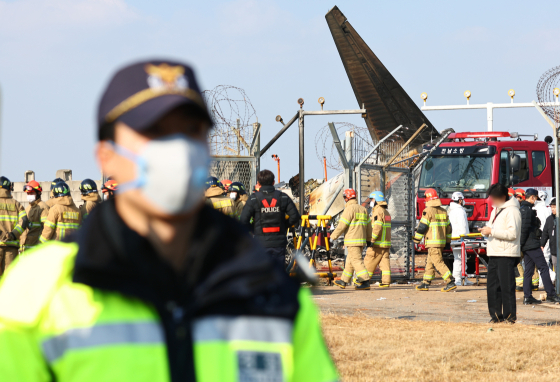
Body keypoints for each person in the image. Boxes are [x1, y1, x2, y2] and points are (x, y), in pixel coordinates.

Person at [0, 59, 337, 382]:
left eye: (191, 131)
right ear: (107, 156)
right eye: (153, 132)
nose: (175, 149)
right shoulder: (38, 290)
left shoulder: (272, 293)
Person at [240, 169, 300, 266]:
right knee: (278, 273)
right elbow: (295, 216)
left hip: (261, 243)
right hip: (278, 242)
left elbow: (243, 221)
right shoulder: (283, 197)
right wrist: (284, 226)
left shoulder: (254, 198)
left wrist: (254, 228)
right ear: (273, 182)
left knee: (262, 273)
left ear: (258, 183)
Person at [480, 183, 521, 323]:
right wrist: (487, 230)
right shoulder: (496, 210)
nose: (492, 201)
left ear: (503, 197)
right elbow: (493, 228)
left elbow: (513, 234)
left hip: (507, 254)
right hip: (494, 252)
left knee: (506, 287)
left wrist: (492, 231)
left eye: (494, 198)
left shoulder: (512, 211)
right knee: (492, 287)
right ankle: (496, 316)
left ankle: (510, 317)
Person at [519, 189, 560, 305]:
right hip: (532, 244)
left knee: (528, 271)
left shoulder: (522, 209)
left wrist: (521, 246)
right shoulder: (528, 211)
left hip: (527, 246)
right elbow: (524, 229)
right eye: (535, 198)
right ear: (532, 197)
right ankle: (551, 294)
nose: (536, 201)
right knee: (543, 267)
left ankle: (527, 296)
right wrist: (521, 245)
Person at [413, 188, 455, 292]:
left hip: (432, 242)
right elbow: (449, 228)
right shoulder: (443, 211)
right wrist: (448, 242)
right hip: (441, 242)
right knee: (430, 263)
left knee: (438, 262)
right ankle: (426, 283)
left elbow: (422, 227)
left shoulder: (428, 211)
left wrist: (416, 240)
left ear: (427, 198)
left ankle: (450, 281)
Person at [331, 188, 371, 290]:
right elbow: (369, 227)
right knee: (350, 261)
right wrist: (369, 239)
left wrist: (333, 236)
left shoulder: (349, 209)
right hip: (361, 240)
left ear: (347, 197)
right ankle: (344, 281)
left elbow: (342, 225)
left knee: (357, 261)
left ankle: (365, 281)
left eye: (344, 197)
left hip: (352, 240)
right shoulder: (363, 209)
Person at [364, 191, 392, 288]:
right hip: (385, 243)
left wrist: (371, 240)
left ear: (376, 200)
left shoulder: (378, 211)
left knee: (369, 261)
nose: (371, 201)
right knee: (385, 263)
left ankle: (363, 281)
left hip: (377, 244)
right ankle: (386, 282)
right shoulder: (386, 212)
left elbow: (377, 227)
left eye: (372, 199)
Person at [0, 176, 27, 276]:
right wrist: (13, 235)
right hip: (12, 248)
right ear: (9, 189)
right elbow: (24, 222)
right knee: (9, 279)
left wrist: (1, 234)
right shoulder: (17, 204)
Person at [450, 191, 473, 286]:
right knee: (460, 259)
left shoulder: (452, 210)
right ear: (460, 200)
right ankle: (458, 279)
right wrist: (466, 238)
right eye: (462, 199)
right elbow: (463, 226)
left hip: (454, 238)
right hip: (460, 238)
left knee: (460, 258)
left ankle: (463, 277)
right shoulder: (460, 211)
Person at [21, 181, 49, 252]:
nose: (29, 195)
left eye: (31, 193)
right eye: (28, 193)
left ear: (38, 192)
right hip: (26, 248)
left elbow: (46, 228)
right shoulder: (28, 208)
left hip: (37, 249)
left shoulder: (43, 207)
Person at [541, 197, 557, 271]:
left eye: (554, 207)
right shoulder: (549, 219)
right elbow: (545, 233)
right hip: (554, 250)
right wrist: (542, 245)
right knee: (556, 268)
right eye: (551, 207)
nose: (552, 209)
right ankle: (558, 282)